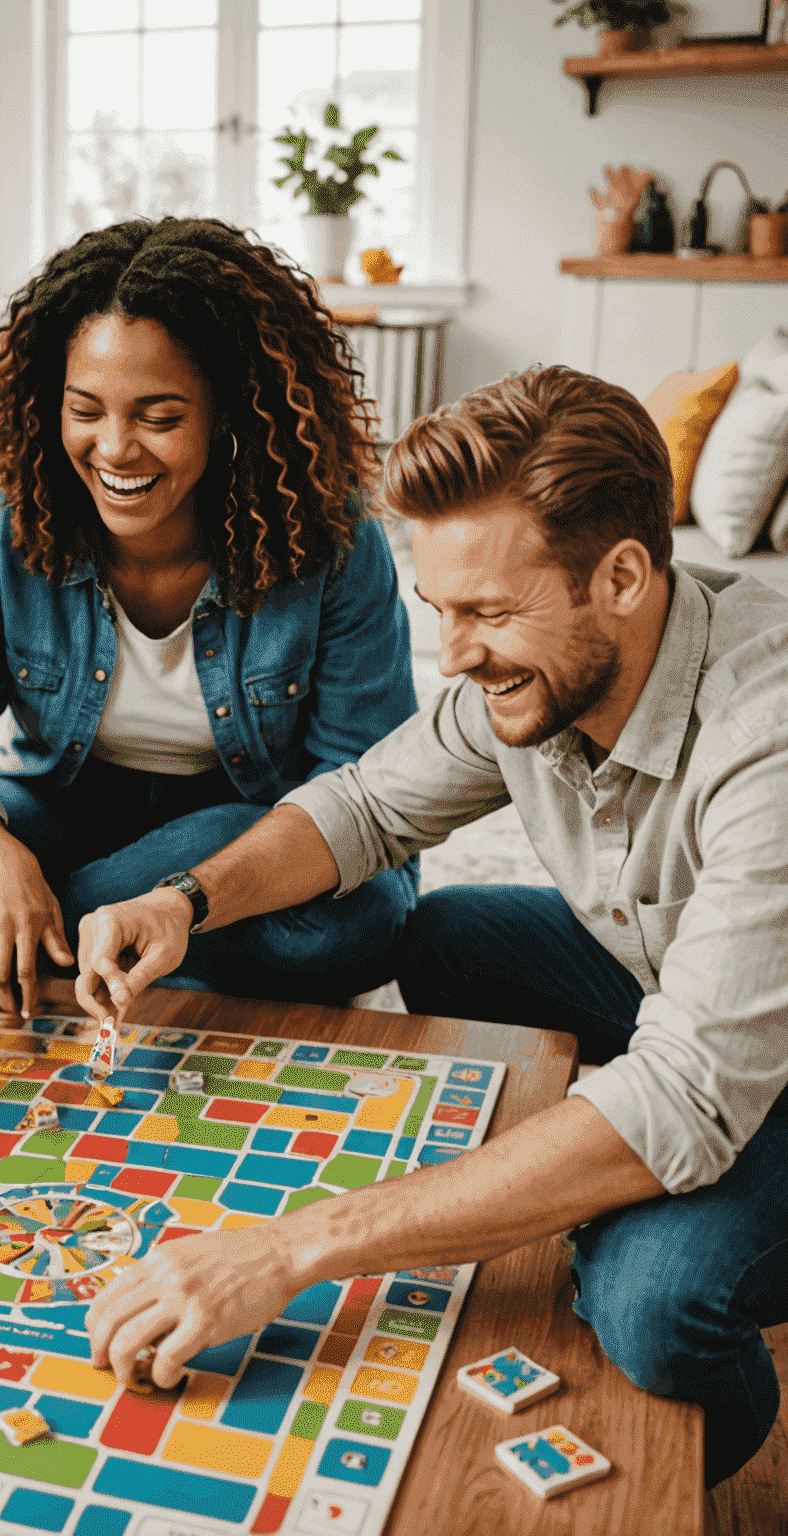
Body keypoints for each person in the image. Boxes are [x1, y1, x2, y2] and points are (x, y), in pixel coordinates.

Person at [73, 365, 788, 1489]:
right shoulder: (536, 666)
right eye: (442, 612)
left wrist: (285, 1250)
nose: (454, 657)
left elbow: (687, 1089)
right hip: (685, 989)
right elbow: (361, 806)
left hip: (757, 1057)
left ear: (625, 575)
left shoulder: (770, 729)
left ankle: (685, 1467)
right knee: (447, 937)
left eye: (490, 615)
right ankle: (581, 1171)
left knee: (653, 1302)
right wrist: (184, 900)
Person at [0, 217, 417, 1019]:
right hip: (75, 802)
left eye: (159, 417)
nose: (115, 449)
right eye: (86, 411)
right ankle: (163, 958)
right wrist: (1, 863)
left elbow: (357, 787)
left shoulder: (329, 532)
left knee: (361, 919)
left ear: (228, 414)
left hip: (262, 821)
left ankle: (100, 941)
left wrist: (184, 883)